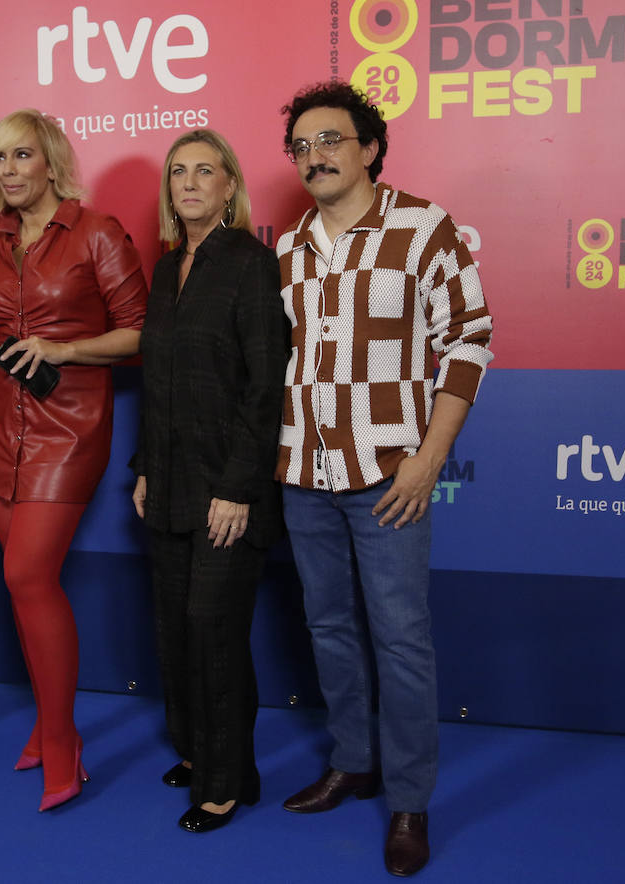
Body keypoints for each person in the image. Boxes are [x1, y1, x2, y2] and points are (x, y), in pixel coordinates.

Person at [273, 82, 493, 876]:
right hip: (302, 472)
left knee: (401, 641)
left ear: (369, 148)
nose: (314, 157)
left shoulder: (423, 228)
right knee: (329, 630)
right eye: (300, 146)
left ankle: (408, 801)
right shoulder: (290, 247)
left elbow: (469, 341)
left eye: (330, 140)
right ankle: (353, 761)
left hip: (388, 476)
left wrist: (429, 457)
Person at [0, 109, 147, 811]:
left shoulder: (97, 233)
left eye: (21, 156)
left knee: (27, 573)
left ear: (50, 162)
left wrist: (66, 351)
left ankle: (64, 738)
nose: (9, 171)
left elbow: (139, 334)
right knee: (21, 585)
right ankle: (46, 730)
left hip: (68, 428)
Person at [131, 130, 286, 834]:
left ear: (229, 186)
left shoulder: (252, 264)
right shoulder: (165, 271)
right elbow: (156, 383)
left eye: (205, 171)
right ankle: (206, 755)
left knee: (213, 628)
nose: (189, 182)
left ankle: (224, 783)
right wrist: (140, 470)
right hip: (166, 482)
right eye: (178, 173)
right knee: (175, 631)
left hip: (228, 487)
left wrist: (239, 488)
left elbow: (265, 388)